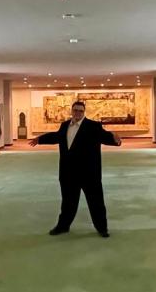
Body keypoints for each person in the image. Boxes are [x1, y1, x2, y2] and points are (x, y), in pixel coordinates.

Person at [29, 100, 122, 237]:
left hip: (89, 173)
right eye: (75, 110)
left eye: (80, 110)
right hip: (68, 173)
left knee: (96, 202)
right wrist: (40, 139)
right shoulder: (65, 125)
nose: (77, 113)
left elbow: (105, 136)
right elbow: (56, 136)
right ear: (71, 111)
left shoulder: (93, 126)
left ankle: (102, 228)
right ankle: (63, 226)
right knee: (67, 202)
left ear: (84, 112)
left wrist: (115, 140)